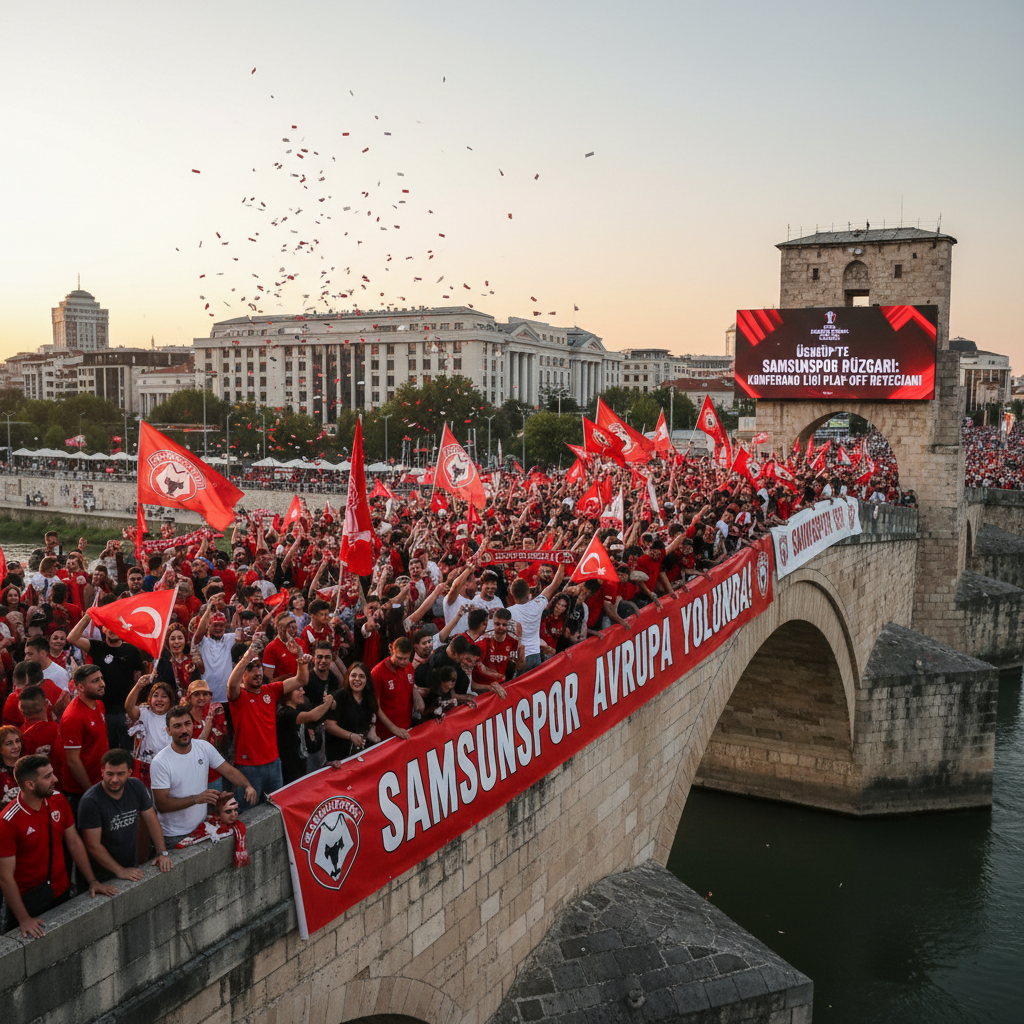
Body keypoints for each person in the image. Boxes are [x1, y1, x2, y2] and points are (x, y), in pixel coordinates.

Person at [0, 754, 117, 938]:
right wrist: (24, 919)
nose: (55, 779)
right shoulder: (8, 821)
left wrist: (93, 881)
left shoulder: (58, 799)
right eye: (47, 777)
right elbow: (5, 878)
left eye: (52, 773)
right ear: (30, 785)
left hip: (61, 892)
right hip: (29, 901)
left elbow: (74, 842)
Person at [150, 706, 257, 847]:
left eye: (187, 724)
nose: (184, 730)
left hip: (202, 828)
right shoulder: (160, 762)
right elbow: (162, 805)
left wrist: (247, 786)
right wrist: (197, 799)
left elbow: (228, 771)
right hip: (174, 835)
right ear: (168, 731)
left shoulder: (203, 747)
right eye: (177, 726)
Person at [227, 637, 308, 802]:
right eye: (251, 669)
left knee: (276, 809)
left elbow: (302, 680)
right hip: (248, 768)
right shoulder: (238, 695)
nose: (258, 673)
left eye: (259, 668)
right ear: (243, 673)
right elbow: (231, 685)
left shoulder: (271, 690)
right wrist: (247, 657)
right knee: (249, 815)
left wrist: (300, 657)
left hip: (274, 763)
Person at [78, 749, 174, 881]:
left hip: (130, 866)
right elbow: (92, 845)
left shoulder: (136, 786)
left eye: (120, 774)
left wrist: (162, 852)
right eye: (110, 774)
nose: (115, 779)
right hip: (102, 875)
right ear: (102, 772)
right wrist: (120, 871)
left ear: (130, 772)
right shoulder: (91, 801)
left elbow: (151, 819)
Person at [67, 608, 144, 751]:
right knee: (106, 750)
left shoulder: (132, 651)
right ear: (103, 629)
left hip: (125, 711)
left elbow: (137, 682)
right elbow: (72, 638)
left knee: (128, 752)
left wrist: (135, 711)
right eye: (109, 625)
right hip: (102, 710)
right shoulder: (97, 647)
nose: (113, 629)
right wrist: (88, 616)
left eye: (117, 625)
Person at [60, 663, 110, 819]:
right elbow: (73, 761)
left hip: (100, 781)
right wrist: (91, 791)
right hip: (81, 791)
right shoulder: (73, 717)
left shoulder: (99, 704)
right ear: (80, 687)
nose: (102, 684)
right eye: (95, 681)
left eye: (101, 678)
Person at [508, 563, 565, 671]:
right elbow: (555, 584)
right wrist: (562, 564)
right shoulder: (537, 605)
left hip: (521, 657)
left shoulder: (508, 613)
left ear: (512, 594)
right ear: (528, 592)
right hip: (535, 656)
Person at [124, 677, 176, 788]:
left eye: (164, 696)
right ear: (150, 698)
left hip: (169, 768)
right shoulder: (144, 713)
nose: (159, 700)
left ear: (170, 700)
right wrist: (138, 686)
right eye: (155, 695)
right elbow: (129, 707)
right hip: (145, 769)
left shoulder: (175, 717)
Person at [276, 682, 332, 784]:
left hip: (300, 770)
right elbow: (313, 716)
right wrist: (327, 703)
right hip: (287, 773)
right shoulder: (285, 714)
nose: (303, 692)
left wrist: (315, 738)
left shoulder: (298, 712)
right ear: (287, 693)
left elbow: (310, 747)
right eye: (298, 690)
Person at [323, 662, 380, 760]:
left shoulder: (368, 697)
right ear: (348, 678)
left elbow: (374, 713)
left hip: (360, 753)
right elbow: (329, 725)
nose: (357, 679)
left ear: (367, 680)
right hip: (339, 755)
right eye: (353, 675)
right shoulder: (339, 697)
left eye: (361, 676)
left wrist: (372, 729)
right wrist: (350, 736)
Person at [371, 637, 422, 741]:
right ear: (391, 651)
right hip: (385, 735)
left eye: (405, 658)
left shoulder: (410, 668)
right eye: (399, 658)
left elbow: (409, 686)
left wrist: (418, 697)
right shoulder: (377, 673)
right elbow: (375, 707)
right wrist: (395, 729)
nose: (402, 662)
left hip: (406, 730)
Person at [17, 687, 64, 786]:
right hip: (54, 786)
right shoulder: (54, 730)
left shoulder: (18, 735)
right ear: (46, 705)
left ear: (21, 710)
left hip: (31, 787)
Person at [192, 601, 234, 704]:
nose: (218, 628)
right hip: (207, 699)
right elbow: (197, 635)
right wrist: (208, 610)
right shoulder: (203, 642)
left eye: (221, 625)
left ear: (225, 626)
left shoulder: (230, 639)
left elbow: (251, 633)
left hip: (226, 698)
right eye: (215, 625)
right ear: (209, 626)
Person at [0, 726, 21, 804]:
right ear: (0, 749)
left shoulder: (29, 766)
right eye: (9, 744)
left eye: (17, 741)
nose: (16, 746)